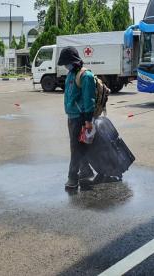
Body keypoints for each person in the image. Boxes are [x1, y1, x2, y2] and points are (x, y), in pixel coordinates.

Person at [58, 47, 96, 189]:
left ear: (73, 61)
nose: (65, 66)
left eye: (66, 63)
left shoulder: (85, 76)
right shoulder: (70, 74)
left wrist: (88, 121)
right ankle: (86, 171)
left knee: (75, 148)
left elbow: (88, 100)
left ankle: (72, 178)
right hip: (72, 116)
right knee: (77, 147)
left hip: (81, 118)